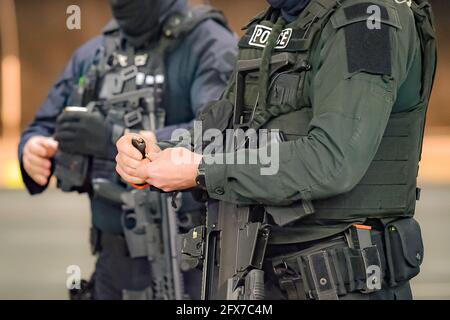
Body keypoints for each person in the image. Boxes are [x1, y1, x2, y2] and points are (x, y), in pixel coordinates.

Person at [115, 0, 437, 300]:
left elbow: (333, 161)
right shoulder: (282, 20)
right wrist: (159, 153)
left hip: (341, 281)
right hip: (260, 275)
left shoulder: (369, 21)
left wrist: (200, 170)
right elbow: (229, 131)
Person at [18, 0, 237, 300]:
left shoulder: (208, 42)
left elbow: (221, 134)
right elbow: (43, 126)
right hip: (113, 263)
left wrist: (115, 140)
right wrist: (31, 149)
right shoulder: (97, 52)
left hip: (190, 261)